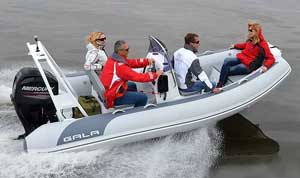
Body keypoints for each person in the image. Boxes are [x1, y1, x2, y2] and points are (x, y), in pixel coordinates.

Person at [100, 40, 163, 108]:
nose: (128, 51)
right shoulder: (120, 67)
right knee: (143, 97)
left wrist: (147, 61)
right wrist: (155, 75)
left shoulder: (113, 58)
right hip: (113, 97)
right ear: (120, 51)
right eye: (127, 49)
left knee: (132, 85)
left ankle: (133, 104)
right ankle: (137, 114)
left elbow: (130, 62)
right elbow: (139, 77)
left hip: (111, 89)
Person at [216, 21, 275, 88]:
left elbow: (271, 58)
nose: (249, 32)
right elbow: (244, 45)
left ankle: (220, 85)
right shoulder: (251, 39)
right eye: (249, 30)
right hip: (243, 58)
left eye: (251, 31)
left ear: (256, 32)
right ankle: (221, 82)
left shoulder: (262, 44)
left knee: (228, 70)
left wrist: (266, 66)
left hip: (249, 65)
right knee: (227, 60)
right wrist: (235, 46)